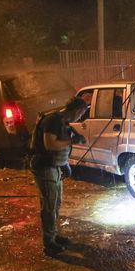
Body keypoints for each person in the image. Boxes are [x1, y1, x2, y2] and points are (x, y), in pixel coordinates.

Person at [31, 97, 88, 256]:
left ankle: (54, 236)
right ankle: (49, 243)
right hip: (44, 167)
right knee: (49, 205)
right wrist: (71, 141)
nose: (80, 118)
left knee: (55, 203)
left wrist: (65, 164)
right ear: (77, 111)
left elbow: (58, 147)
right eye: (82, 114)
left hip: (54, 166)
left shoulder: (62, 121)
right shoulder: (53, 120)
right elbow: (50, 144)